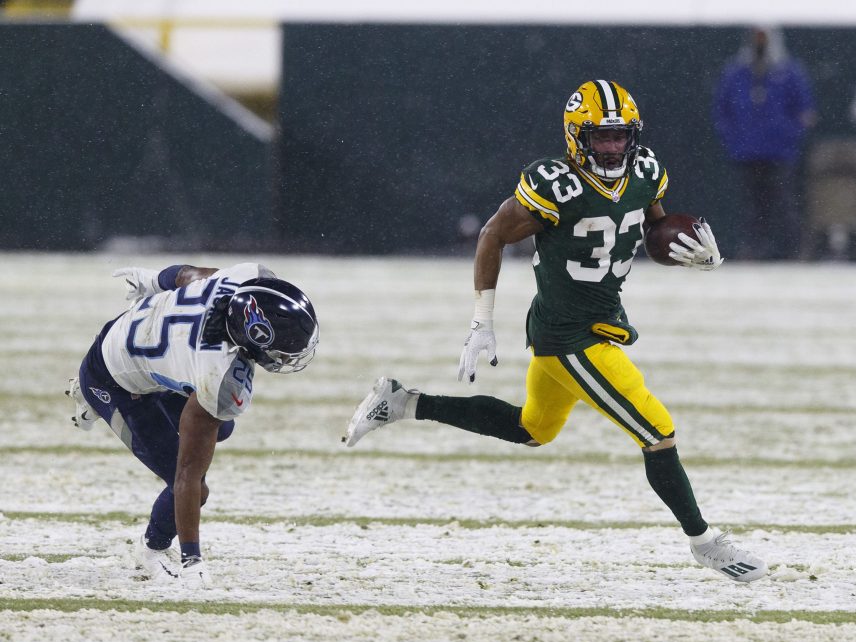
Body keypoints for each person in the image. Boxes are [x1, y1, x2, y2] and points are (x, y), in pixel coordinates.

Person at [346, 79, 767, 583]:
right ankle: (703, 542)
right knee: (658, 432)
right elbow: (492, 235)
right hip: (572, 335)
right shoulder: (555, 183)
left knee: (533, 428)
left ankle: (402, 402)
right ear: (576, 137)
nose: (612, 147)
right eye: (600, 137)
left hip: (589, 324)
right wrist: (482, 319)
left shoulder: (646, 170)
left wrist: (694, 255)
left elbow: (654, 229)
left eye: (619, 136)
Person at [65, 263, 319, 588]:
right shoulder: (217, 373)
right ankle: (152, 550)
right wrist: (192, 558)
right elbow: (187, 476)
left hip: (133, 337)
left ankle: (99, 394)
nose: (284, 359)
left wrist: (153, 280)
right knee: (195, 486)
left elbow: (190, 275)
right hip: (113, 380)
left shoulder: (242, 280)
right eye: (281, 352)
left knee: (221, 427)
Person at [713, 26, 817, 260]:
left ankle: (795, 251)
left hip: (780, 152)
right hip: (746, 151)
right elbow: (722, 110)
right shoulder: (736, 73)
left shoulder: (789, 72)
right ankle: (753, 251)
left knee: (784, 203)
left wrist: (788, 134)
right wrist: (734, 138)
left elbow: (805, 112)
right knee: (752, 206)